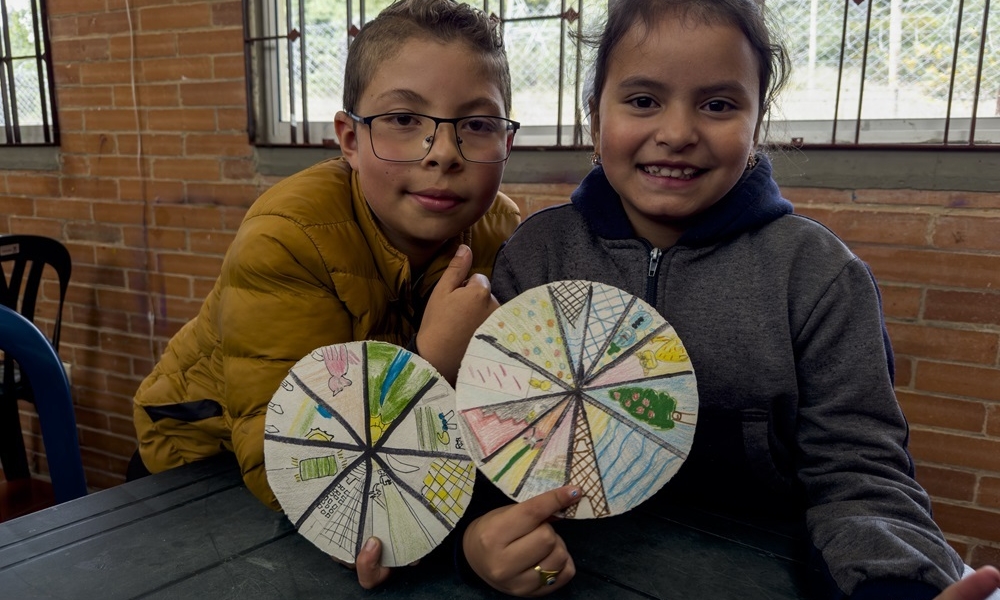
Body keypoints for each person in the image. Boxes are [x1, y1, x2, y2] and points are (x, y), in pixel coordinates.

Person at [458, 1, 1000, 599]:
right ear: (594, 119)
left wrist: (892, 585)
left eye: (718, 104)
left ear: (757, 120)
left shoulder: (816, 276)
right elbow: (495, 429)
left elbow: (861, 475)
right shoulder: (538, 253)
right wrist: (481, 537)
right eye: (642, 101)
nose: (678, 132)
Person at [131, 0, 519, 585]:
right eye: (404, 119)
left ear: (506, 142)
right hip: (204, 472)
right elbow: (289, 465)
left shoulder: (502, 232)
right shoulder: (286, 239)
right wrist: (433, 361)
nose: (442, 152)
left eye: (477, 124)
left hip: (379, 462)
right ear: (349, 139)